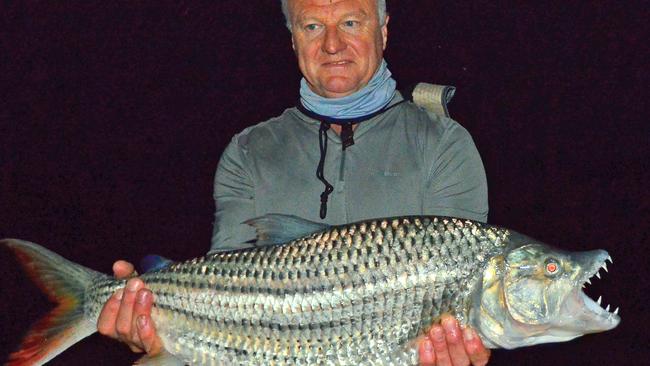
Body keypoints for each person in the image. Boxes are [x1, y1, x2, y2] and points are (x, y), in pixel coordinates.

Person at [97, 1, 491, 365]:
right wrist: (158, 327)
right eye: (313, 26)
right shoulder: (249, 150)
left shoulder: (443, 144)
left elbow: (454, 299)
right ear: (293, 39)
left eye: (351, 22)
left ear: (384, 32)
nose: (333, 44)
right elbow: (227, 293)